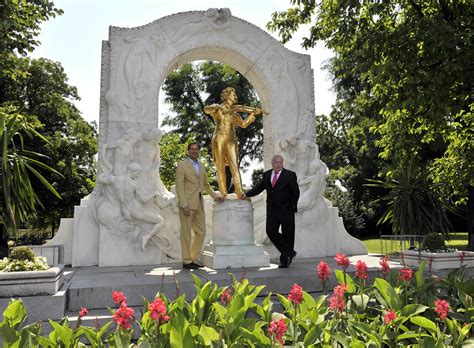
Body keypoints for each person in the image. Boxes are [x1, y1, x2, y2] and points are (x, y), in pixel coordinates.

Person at [204, 87, 267, 199]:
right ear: (227, 96)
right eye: (233, 95)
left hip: (231, 139)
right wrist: (216, 106)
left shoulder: (234, 113)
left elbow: (243, 124)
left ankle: (240, 193)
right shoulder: (217, 110)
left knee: (234, 166)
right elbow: (206, 109)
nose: (235, 97)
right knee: (220, 167)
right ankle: (223, 193)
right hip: (218, 138)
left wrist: (253, 114)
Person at [246, 155, 300, 268]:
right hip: (272, 211)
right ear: (272, 163)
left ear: (282, 162)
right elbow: (259, 188)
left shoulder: (290, 175)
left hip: (287, 211)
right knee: (270, 231)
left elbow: (296, 193)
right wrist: (245, 195)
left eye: (280, 162)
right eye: (276, 162)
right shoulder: (267, 175)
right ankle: (289, 252)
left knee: (288, 235)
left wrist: (292, 207)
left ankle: (285, 260)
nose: (278, 164)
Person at [176, 143, 223, 269]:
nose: (194, 151)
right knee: (186, 234)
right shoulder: (182, 165)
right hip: (187, 204)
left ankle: (193, 258)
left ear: (199, 151)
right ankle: (187, 261)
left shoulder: (202, 166)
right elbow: (179, 186)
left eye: (196, 149)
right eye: (192, 149)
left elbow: (206, 185)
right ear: (188, 151)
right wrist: (184, 204)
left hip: (199, 204)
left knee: (201, 232)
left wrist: (215, 196)